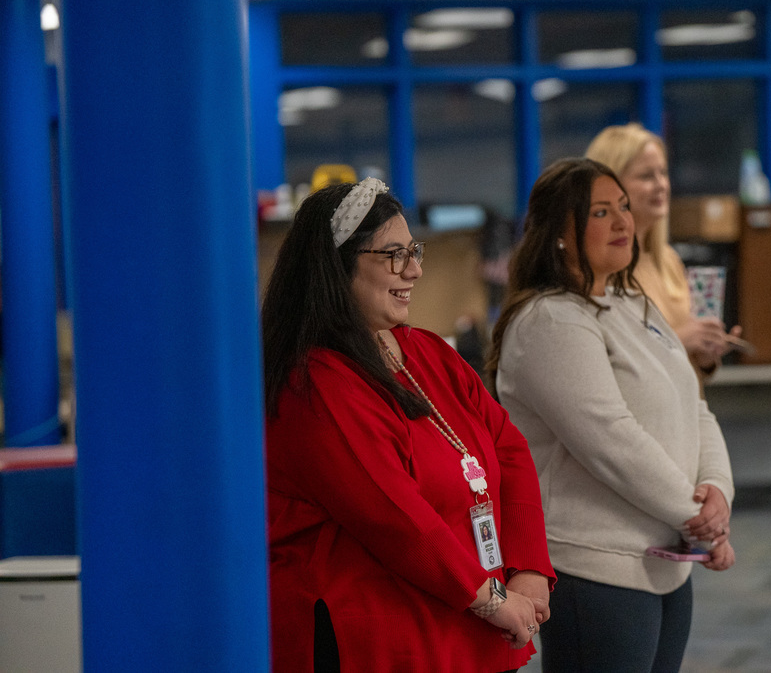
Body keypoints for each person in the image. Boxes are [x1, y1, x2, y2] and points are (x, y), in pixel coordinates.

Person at [262, 178, 554, 673]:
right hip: (379, 640)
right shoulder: (314, 382)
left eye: (413, 251)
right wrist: (492, 598)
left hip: (469, 619)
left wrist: (527, 571)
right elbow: (395, 518)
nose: (415, 269)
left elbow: (509, 449)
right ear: (337, 267)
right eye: (393, 255)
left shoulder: (427, 351)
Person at [488, 158, 736, 673]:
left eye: (623, 206)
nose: (624, 222)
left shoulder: (631, 302)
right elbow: (611, 440)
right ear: (560, 233)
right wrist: (696, 514)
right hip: (594, 568)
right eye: (601, 212)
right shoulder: (550, 319)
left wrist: (717, 490)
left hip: (666, 559)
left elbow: (693, 404)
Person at [586, 123, 742, 378]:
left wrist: (705, 356)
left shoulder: (668, 260)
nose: (661, 185)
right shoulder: (601, 270)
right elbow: (607, 367)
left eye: (663, 173)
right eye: (647, 176)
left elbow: (685, 376)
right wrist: (680, 340)